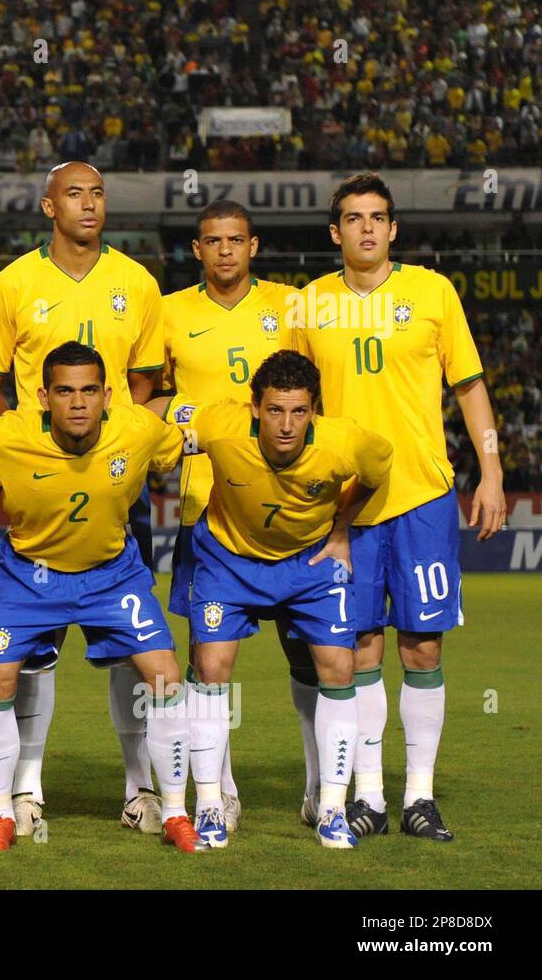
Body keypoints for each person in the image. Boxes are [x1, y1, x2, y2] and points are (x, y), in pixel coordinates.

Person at [291, 173, 506, 842]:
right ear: (335, 232)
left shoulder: (432, 293)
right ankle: (371, 798)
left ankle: (419, 797)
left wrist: (492, 472)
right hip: (344, 509)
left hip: (421, 497)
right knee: (357, 649)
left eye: (376, 217)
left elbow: (469, 388)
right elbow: (293, 405)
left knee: (421, 646)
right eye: (352, 218)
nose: (365, 228)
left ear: (393, 229)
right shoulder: (309, 305)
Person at [0, 161, 165, 836]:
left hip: (110, 479)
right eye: (75, 194)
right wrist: (17, 450)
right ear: (49, 205)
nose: (89, 204)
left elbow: (146, 385)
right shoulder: (12, 283)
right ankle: (25, 789)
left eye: (98, 193)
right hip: (36, 483)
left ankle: (139, 787)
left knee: (128, 648)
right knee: (29, 648)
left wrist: (121, 448)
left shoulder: (137, 283)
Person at [0, 342, 204, 853]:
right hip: (28, 577)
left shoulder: (137, 429)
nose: (78, 402)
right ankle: (2, 813)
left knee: (166, 676)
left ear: (108, 394)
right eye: (64, 391)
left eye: (90, 390)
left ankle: (176, 812)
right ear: (43, 396)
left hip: (112, 575)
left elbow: (188, 442)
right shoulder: (6, 437)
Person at [157, 350, 393, 848]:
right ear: (254, 408)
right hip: (227, 560)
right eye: (275, 410)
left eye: (299, 411)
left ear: (315, 410)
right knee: (212, 666)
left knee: (339, 668)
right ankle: (211, 807)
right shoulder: (219, 423)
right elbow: (156, 412)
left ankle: (331, 808)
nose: (286, 425)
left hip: (308, 564)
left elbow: (377, 473)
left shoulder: (348, 442)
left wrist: (343, 527)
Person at [161, 199, 320, 828]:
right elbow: (150, 396)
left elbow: (316, 388)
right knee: (208, 658)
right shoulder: (169, 311)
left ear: (253, 246)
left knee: (310, 655)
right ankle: (219, 788)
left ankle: (317, 786)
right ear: (196, 250)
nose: (224, 250)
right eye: (211, 241)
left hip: (292, 509)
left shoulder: (292, 305)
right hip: (208, 510)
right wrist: (193, 422)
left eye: (236, 240)